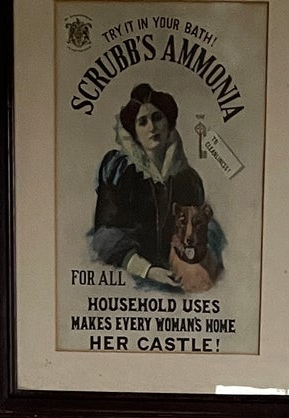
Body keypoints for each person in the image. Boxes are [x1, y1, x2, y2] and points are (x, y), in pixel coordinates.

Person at [88, 83, 215, 287]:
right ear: (134, 132)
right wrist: (148, 271)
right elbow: (105, 237)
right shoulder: (120, 171)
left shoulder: (189, 180)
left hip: (180, 278)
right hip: (131, 281)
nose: (152, 128)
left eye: (157, 118)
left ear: (169, 123)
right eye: (142, 122)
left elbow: (198, 234)